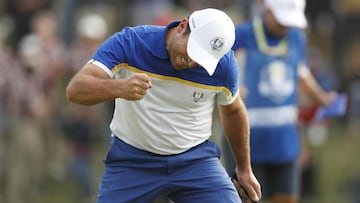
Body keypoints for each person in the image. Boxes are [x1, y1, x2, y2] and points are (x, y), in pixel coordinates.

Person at [66, 8, 261, 203]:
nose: (192, 61)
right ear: (182, 26)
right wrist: (119, 87)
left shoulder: (224, 66)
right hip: (132, 161)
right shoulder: (132, 42)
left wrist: (244, 169)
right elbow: (75, 90)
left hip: (195, 161)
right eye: (193, 50)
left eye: (201, 60)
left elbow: (233, 110)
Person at [222, 0, 336, 203]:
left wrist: (322, 98)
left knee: (288, 198)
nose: (285, 26)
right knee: (246, 199)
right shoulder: (242, 34)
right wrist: (232, 86)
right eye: (282, 20)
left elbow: (301, 73)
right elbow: (218, 70)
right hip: (246, 141)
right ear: (267, 9)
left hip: (284, 140)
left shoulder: (296, 37)